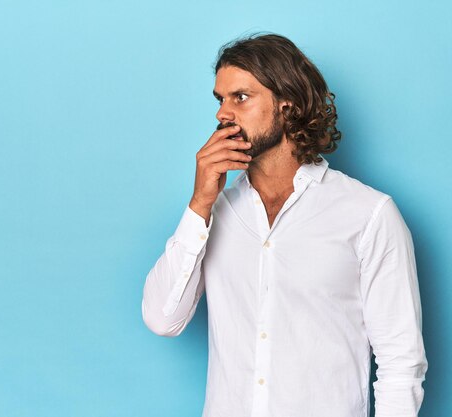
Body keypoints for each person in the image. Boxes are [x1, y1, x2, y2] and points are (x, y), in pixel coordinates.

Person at [141, 33, 427, 417]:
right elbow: (162, 319)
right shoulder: (214, 213)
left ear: (286, 104)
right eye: (220, 99)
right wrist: (200, 203)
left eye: (239, 97)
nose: (222, 114)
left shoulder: (368, 214)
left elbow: (401, 362)